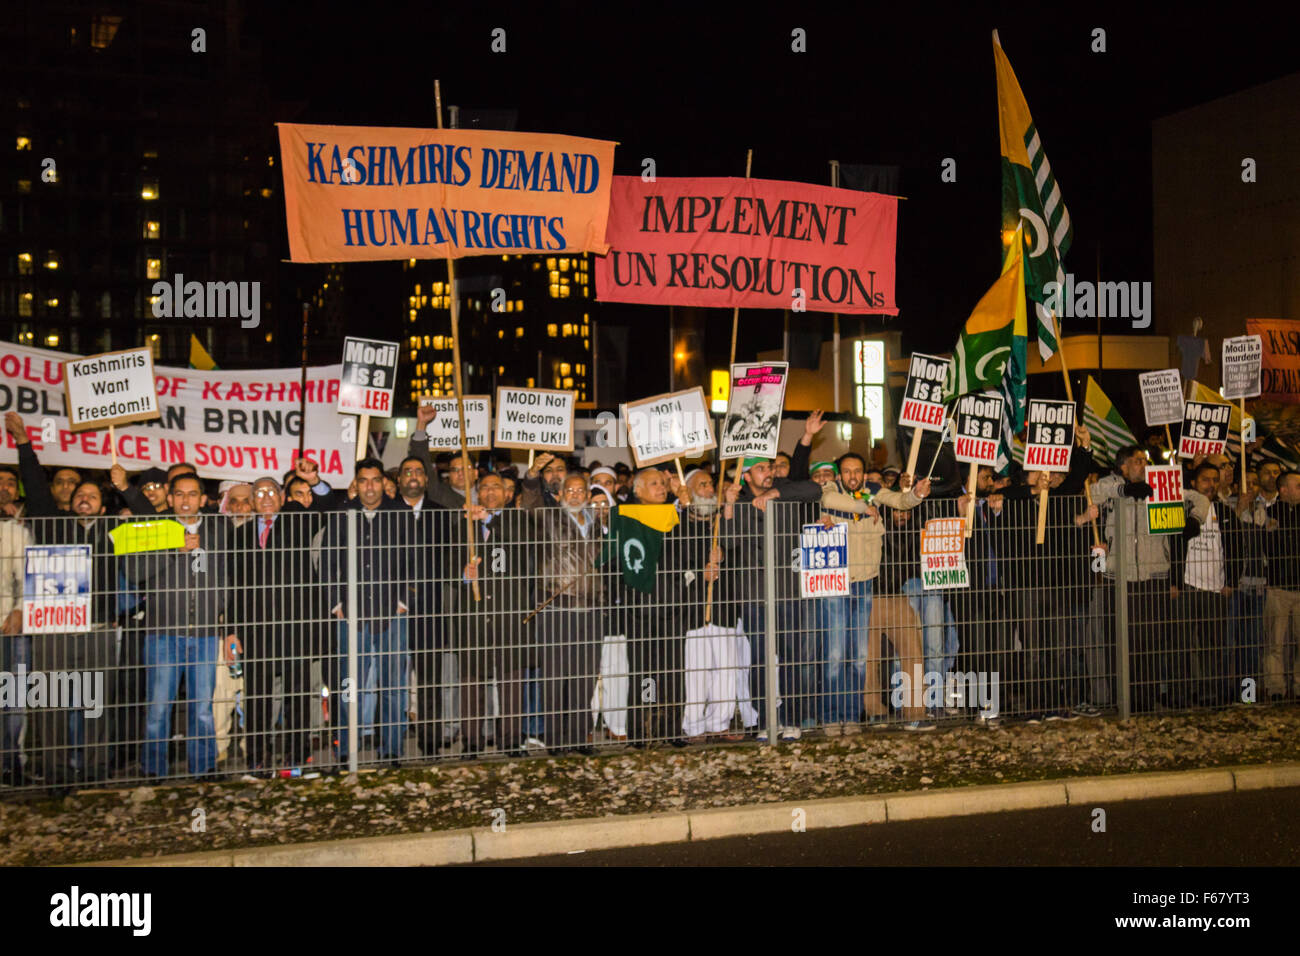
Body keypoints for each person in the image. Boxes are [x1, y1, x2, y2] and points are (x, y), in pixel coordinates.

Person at [7, 413, 119, 784]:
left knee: (94, 706)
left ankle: (95, 775)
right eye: (78, 496)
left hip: (99, 631)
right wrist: (24, 442)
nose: (84, 499)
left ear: (103, 507)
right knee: (53, 703)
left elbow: (155, 522)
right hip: (55, 632)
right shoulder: (53, 525)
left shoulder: (116, 534)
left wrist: (128, 490)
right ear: (71, 503)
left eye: (92, 496)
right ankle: (56, 776)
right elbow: (37, 487)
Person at [126, 472, 241, 779]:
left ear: (203, 499)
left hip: (204, 634)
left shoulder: (219, 529)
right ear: (170, 496)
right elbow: (135, 571)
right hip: (162, 633)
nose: (185, 500)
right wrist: (173, 550)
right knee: (159, 708)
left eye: (192, 494)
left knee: (201, 707)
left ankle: (202, 768)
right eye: (179, 494)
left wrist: (224, 619)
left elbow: (227, 578)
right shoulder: (155, 528)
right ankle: (153, 770)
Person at [1089, 445, 1210, 712]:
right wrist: (1124, 491)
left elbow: (1201, 500)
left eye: (1145, 460)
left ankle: (1145, 699)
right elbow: (1093, 493)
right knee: (1119, 641)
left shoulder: (1161, 484)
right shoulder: (1111, 484)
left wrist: (1194, 520)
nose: (1143, 465)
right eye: (1137, 461)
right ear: (1123, 467)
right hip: (1118, 576)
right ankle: (1122, 699)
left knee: (1151, 642)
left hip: (1154, 574)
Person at [819, 455, 932, 732]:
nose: (852, 475)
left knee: (861, 656)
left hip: (868, 584)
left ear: (864, 473)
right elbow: (829, 503)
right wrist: (865, 506)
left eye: (857, 470)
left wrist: (916, 494)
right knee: (837, 653)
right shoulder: (831, 490)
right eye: (846, 471)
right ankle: (839, 717)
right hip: (838, 584)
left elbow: (900, 502)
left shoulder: (874, 491)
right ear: (840, 475)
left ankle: (901, 713)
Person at [723, 455, 824, 740]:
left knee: (792, 658)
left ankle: (791, 718)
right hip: (755, 597)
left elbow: (814, 490)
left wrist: (774, 492)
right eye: (760, 469)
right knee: (761, 660)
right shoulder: (739, 503)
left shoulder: (784, 493)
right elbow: (729, 543)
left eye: (769, 467)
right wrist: (729, 506)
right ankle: (767, 719)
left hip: (789, 593)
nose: (768, 472)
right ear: (746, 476)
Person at [321, 458, 412, 767]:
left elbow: (413, 559)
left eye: (375, 480)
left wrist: (404, 600)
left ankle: (391, 750)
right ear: (355, 483)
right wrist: (336, 603)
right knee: (349, 686)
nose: (370, 486)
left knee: (392, 686)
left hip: (392, 614)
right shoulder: (341, 515)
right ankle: (348, 750)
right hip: (350, 615)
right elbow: (328, 561)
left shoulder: (400, 514)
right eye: (364, 480)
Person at [521, 472, 603, 753]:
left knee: (586, 676)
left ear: (588, 496)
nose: (576, 495)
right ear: (560, 494)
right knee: (556, 677)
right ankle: (556, 740)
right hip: (559, 607)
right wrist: (532, 479)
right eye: (570, 490)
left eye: (581, 491)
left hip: (592, 609)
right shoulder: (550, 519)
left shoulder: (597, 523)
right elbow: (530, 503)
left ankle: (580, 737)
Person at [456, 473, 534, 757]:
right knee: (471, 682)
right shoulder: (463, 523)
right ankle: (472, 742)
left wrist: (489, 519)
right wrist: (464, 576)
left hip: (509, 614)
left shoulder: (519, 520)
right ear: (476, 492)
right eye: (484, 487)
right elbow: (448, 558)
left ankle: (512, 741)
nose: (490, 491)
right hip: (474, 615)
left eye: (496, 487)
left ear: (508, 494)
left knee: (511, 682)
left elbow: (519, 543)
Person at [1170, 461, 1248, 708]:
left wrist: (1231, 582)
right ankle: (1181, 694)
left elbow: (1236, 549)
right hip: (1187, 585)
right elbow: (1173, 546)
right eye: (1205, 479)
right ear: (1193, 483)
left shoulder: (1225, 513)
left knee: (1212, 646)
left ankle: (1210, 693)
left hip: (1216, 588)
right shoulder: (1180, 509)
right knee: (1182, 645)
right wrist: (1174, 581)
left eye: (1215, 480)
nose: (1211, 484)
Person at [0, 463, 34, 786]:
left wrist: (21, 610)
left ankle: (12, 763)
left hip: (9, 626)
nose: (5, 488)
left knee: (14, 698)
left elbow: (27, 576)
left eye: (11, 483)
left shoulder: (18, 529)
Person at [1262, 471, 1300, 702]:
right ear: (1283, 490)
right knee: (1274, 642)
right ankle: (1276, 688)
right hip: (1277, 587)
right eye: (1298, 485)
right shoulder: (1269, 513)